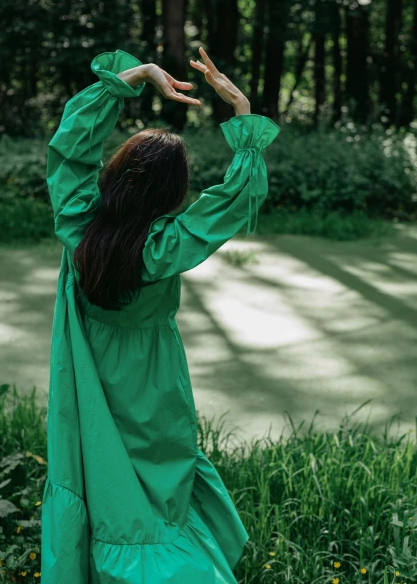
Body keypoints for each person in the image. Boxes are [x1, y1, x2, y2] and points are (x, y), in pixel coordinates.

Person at [41, 47, 281, 583]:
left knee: (99, 479)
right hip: (153, 378)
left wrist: (138, 76)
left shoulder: (77, 224)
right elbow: (234, 199)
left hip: (87, 374)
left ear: (116, 172)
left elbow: (72, 144)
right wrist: (240, 109)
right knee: (162, 482)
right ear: (172, 194)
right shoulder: (166, 246)